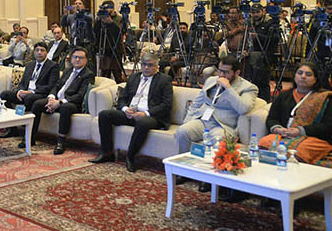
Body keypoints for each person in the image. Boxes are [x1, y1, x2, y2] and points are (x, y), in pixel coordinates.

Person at [175, 56, 257, 189]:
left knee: (217, 139)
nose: (221, 75)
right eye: (220, 71)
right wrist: (187, 121)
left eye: (226, 72)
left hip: (223, 125)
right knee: (183, 131)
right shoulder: (211, 80)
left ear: (236, 73)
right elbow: (197, 104)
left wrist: (229, 88)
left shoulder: (248, 87)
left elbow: (243, 108)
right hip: (203, 120)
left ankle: (209, 178)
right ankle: (183, 170)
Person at [90, 52, 174, 172]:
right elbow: (122, 98)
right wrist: (125, 109)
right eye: (144, 64)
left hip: (152, 116)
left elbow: (166, 105)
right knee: (104, 115)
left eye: (150, 65)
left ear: (157, 66)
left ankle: (130, 157)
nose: (146, 68)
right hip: (131, 113)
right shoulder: (134, 77)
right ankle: (107, 153)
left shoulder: (164, 80)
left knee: (143, 122)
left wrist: (145, 113)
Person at [259, 61, 332, 164]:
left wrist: (299, 131)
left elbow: (328, 126)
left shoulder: (325, 98)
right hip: (284, 135)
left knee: (301, 150)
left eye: (308, 74)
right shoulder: (284, 96)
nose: (303, 76)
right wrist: (279, 129)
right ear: (294, 76)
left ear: (315, 79)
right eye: (300, 73)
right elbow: (272, 118)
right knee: (264, 143)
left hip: (314, 138)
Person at [26, 47, 94, 153]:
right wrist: (52, 98)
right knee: (38, 104)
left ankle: (61, 141)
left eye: (81, 58)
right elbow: (56, 86)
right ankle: (31, 137)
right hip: (57, 99)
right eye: (75, 57)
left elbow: (80, 95)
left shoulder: (88, 75)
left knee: (65, 108)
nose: (77, 60)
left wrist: (60, 102)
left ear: (85, 60)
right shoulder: (67, 71)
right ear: (71, 58)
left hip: (72, 103)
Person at [0, 42, 59, 138]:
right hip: (25, 93)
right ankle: (12, 129)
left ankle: (24, 123)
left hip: (40, 94)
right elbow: (23, 82)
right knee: (4, 95)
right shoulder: (30, 65)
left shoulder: (53, 66)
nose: (39, 53)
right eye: (37, 50)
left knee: (29, 98)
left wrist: (31, 92)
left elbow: (51, 86)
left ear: (46, 52)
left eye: (42, 50)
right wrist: (20, 91)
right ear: (34, 52)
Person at [94, 9, 124, 82]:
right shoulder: (99, 23)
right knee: (104, 76)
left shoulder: (118, 19)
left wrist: (111, 22)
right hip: (104, 52)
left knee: (117, 75)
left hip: (115, 52)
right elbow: (95, 33)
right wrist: (99, 20)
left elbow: (119, 33)